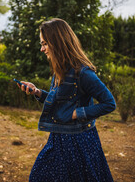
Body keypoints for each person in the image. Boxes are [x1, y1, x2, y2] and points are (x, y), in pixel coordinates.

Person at [18, 18, 116, 182]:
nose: (42, 49)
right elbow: (61, 101)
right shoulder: (60, 70)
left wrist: (78, 113)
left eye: (44, 44)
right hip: (58, 139)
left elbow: (109, 103)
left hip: (78, 143)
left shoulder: (83, 73)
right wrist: (37, 92)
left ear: (57, 42)